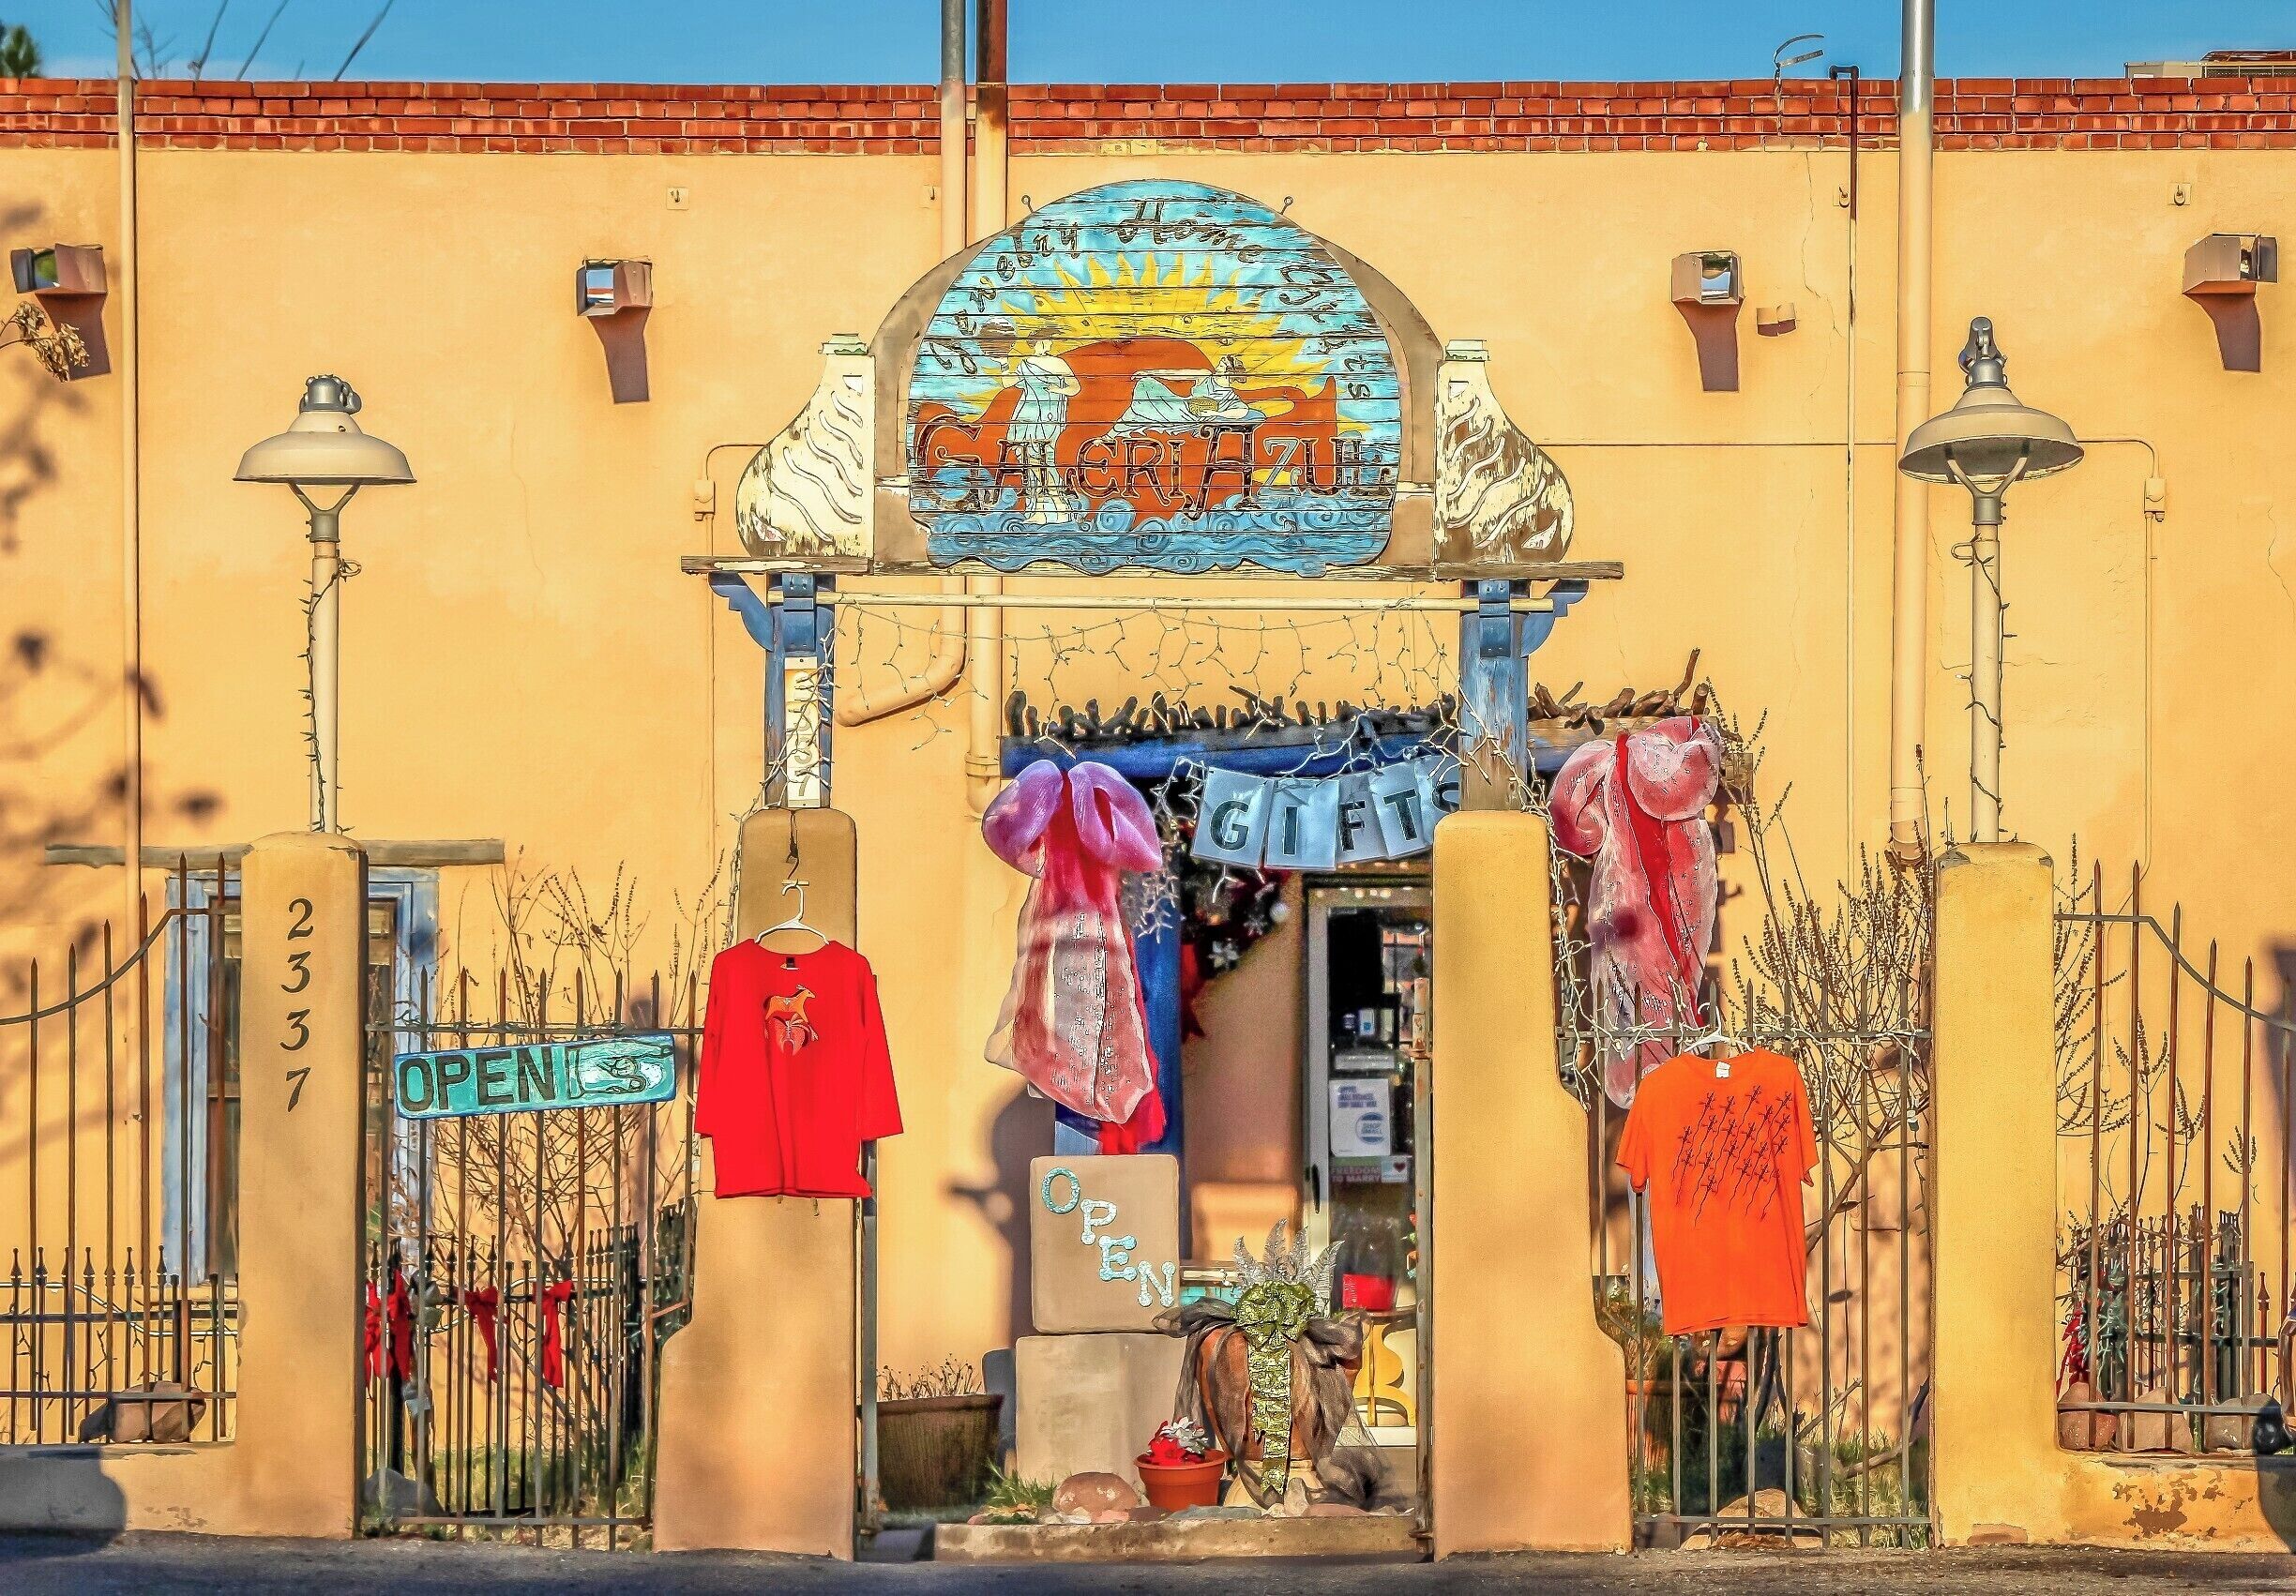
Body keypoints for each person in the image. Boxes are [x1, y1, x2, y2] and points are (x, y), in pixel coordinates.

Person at [1004, 337, 1081, 524]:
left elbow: (1075, 387)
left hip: (1048, 416)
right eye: (1047, 341)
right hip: (1026, 415)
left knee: (1043, 462)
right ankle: (1039, 511)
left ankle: (1060, 508)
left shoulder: (1057, 363)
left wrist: (1057, 390)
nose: (1050, 344)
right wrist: (1004, 363)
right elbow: (1008, 383)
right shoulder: (1025, 363)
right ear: (1038, 342)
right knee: (1029, 463)